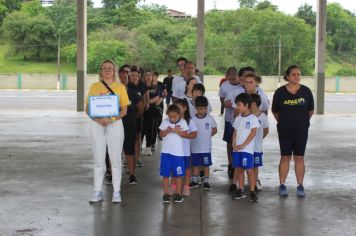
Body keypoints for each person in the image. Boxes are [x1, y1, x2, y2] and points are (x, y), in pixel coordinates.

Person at [86, 59, 129, 203]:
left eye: (110, 68)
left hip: (115, 124)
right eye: (104, 68)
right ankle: (97, 191)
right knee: (98, 159)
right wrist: (99, 120)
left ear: (114, 70)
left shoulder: (120, 87)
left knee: (115, 159)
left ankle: (116, 191)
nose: (107, 70)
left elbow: (124, 110)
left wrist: (110, 119)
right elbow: (88, 108)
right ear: (101, 70)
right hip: (97, 124)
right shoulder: (94, 86)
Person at [272, 65, 314, 198]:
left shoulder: (306, 91)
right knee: (285, 157)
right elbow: (275, 111)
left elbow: (310, 110)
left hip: (301, 131)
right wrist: (284, 122)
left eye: (299, 74)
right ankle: (282, 185)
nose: (297, 77)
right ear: (288, 77)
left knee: (299, 157)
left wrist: (301, 122)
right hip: (284, 130)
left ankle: (300, 185)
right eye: (294, 74)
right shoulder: (280, 92)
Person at [231, 93, 260, 202]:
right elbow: (235, 132)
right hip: (237, 150)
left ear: (246, 105)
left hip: (247, 150)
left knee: (249, 170)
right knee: (239, 170)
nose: (237, 107)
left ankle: (252, 191)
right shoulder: (238, 118)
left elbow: (253, 133)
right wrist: (234, 144)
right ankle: (241, 189)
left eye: (239, 105)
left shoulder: (253, 118)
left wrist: (243, 145)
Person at [159, 104, 189, 203]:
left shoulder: (183, 122)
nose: (172, 119)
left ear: (179, 115)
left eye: (175, 117)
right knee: (165, 174)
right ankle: (166, 194)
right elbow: (160, 134)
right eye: (170, 117)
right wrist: (166, 131)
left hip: (178, 154)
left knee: (178, 175)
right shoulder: (165, 122)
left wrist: (178, 132)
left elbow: (186, 135)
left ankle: (178, 194)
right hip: (166, 153)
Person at [120, 65, 144, 185]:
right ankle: (110, 172)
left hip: (130, 126)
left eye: (125, 77)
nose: (123, 79)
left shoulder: (133, 93)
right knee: (112, 151)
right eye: (121, 77)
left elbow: (141, 109)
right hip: (114, 127)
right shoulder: (110, 93)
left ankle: (132, 175)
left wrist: (132, 118)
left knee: (130, 151)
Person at [190, 96, 218, 190]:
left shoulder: (210, 118)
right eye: (200, 109)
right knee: (196, 164)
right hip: (195, 147)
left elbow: (214, 129)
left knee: (206, 165)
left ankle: (206, 181)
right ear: (196, 108)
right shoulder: (192, 119)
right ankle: (194, 180)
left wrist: (207, 136)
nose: (203, 110)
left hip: (206, 148)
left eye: (205, 108)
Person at [218, 66, 241, 179]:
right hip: (229, 119)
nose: (231, 81)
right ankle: (230, 163)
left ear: (238, 76)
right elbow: (222, 100)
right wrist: (228, 106)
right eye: (229, 79)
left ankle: (239, 164)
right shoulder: (224, 85)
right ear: (226, 77)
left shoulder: (243, 85)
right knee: (229, 142)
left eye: (234, 79)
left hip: (242, 120)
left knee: (240, 141)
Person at [174, 98, 197, 197]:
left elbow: (195, 134)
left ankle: (186, 186)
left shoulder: (189, 121)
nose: (177, 110)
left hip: (185, 151)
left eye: (179, 108)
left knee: (187, 169)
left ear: (185, 108)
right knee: (174, 168)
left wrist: (185, 135)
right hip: (174, 151)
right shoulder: (172, 120)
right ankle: (174, 185)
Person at [128, 66, 147, 168]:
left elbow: (144, 101)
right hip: (128, 116)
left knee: (138, 137)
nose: (134, 77)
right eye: (132, 75)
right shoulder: (127, 87)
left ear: (139, 77)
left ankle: (138, 158)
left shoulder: (141, 87)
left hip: (139, 116)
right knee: (128, 137)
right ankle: (128, 158)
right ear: (129, 76)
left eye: (136, 75)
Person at [141, 70, 163, 156]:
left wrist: (148, 102)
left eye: (150, 75)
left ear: (152, 76)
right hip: (142, 110)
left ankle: (148, 146)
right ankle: (140, 144)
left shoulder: (156, 86)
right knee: (142, 128)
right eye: (146, 75)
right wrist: (144, 103)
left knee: (151, 128)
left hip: (152, 110)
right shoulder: (141, 86)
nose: (148, 77)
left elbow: (157, 98)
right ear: (144, 77)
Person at [250, 94, 269, 192]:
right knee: (245, 166)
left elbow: (266, 130)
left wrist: (259, 140)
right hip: (247, 148)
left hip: (257, 147)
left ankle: (255, 182)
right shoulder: (246, 116)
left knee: (255, 166)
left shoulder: (262, 116)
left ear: (254, 103)